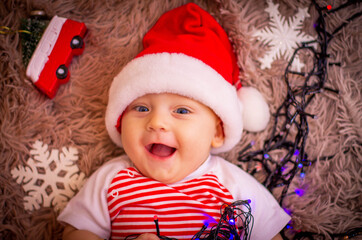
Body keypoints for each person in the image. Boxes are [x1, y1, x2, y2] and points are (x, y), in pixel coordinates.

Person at [58, 3, 290, 240]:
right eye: (141, 108)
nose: (157, 122)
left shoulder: (232, 186)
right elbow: (75, 233)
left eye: (181, 110)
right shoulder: (113, 180)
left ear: (217, 132)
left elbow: (270, 235)